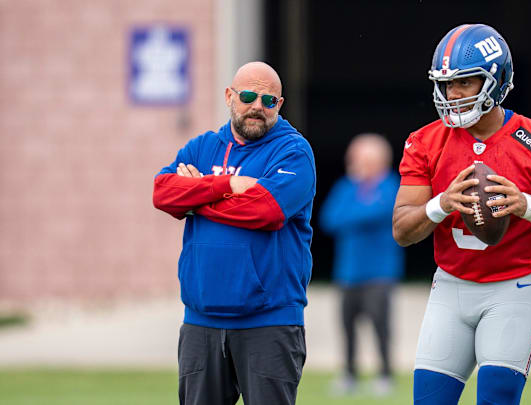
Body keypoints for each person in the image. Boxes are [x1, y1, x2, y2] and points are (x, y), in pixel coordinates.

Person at [392, 24, 531, 405]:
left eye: (465, 82)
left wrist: (527, 205)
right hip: (450, 287)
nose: (452, 94)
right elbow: (402, 229)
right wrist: (442, 204)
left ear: (496, 81)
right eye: (446, 83)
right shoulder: (425, 142)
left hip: (512, 288)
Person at [153, 61, 316, 405]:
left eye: (268, 100)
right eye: (248, 96)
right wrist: (226, 185)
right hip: (201, 323)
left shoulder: (294, 151)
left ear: (279, 105)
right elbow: (163, 193)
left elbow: (265, 211)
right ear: (229, 96)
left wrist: (197, 197)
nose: (258, 106)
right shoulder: (202, 147)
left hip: (269, 322)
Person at [318, 134, 404, 396]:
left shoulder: (391, 185)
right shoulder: (346, 187)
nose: (355, 163)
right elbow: (329, 219)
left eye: (362, 158)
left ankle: (385, 374)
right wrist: (361, 211)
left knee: (381, 325)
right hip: (348, 272)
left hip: (380, 272)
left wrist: (354, 214)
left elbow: (384, 211)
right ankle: (349, 374)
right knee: (347, 327)